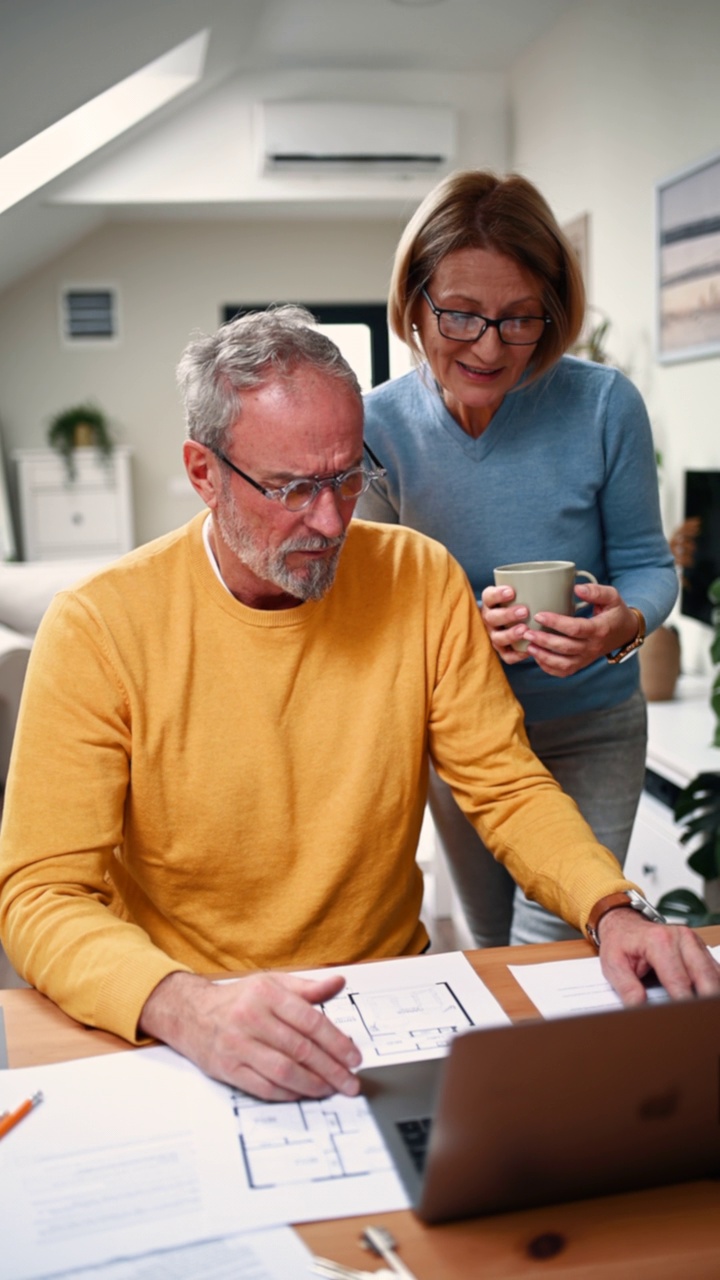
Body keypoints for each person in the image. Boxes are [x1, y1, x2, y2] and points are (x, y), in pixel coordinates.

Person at [0, 308, 716, 1105]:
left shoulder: (422, 578)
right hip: (189, 1020)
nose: (332, 519)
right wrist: (184, 1006)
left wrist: (612, 910)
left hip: (389, 1006)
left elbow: (506, 787)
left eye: (347, 478)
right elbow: (41, 895)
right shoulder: (99, 625)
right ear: (204, 473)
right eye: (293, 488)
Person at [358, 169, 678, 948]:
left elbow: (648, 563)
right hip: (464, 740)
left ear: (553, 311)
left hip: (592, 726)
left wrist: (623, 625)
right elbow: (366, 605)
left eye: (520, 318)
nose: (490, 347)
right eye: (461, 315)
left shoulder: (604, 405)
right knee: (496, 944)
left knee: (558, 939)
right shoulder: (376, 427)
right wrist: (463, 631)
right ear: (414, 302)